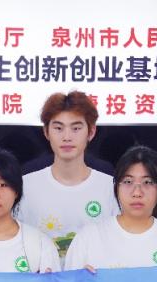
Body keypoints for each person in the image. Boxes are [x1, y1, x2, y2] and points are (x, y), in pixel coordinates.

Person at [16, 91, 119, 258]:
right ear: (46, 132)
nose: (67, 137)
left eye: (76, 128)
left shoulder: (110, 187)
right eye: (58, 128)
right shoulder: (25, 186)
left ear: (91, 132)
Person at [64, 145, 157, 272]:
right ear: (116, 186)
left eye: (147, 182)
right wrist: (80, 279)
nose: (137, 192)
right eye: (128, 182)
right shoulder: (88, 238)